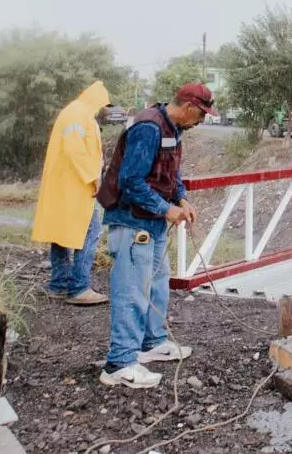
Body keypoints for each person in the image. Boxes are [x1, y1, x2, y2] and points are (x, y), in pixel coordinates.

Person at [95, 83, 210, 389]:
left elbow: (173, 174)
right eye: (200, 115)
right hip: (133, 221)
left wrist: (181, 199)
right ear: (188, 106)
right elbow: (130, 180)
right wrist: (166, 208)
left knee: (157, 282)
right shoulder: (148, 127)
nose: (200, 122)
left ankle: (151, 342)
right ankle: (119, 363)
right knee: (132, 289)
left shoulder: (174, 128)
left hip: (154, 220)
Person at [31, 81, 112, 306]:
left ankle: (59, 285)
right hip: (75, 186)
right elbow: (74, 148)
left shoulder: (75, 111)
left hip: (65, 185)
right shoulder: (78, 114)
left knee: (61, 234)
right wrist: (93, 178)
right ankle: (79, 288)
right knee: (91, 232)